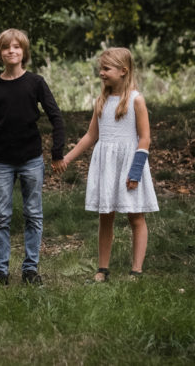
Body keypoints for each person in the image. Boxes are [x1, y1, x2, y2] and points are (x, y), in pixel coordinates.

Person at [0, 28, 66, 286]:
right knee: (1, 216)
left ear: (24, 52)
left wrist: (57, 151)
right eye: (6, 47)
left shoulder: (35, 83)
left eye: (16, 47)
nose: (11, 51)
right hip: (1, 161)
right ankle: (0, 272)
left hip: (31, 160)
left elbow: (56, 117)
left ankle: (30, 270)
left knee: (33, 214)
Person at [57, 47, 159, 282]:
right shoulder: (101, 101)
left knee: (135, 216)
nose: (101, 73)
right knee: (106, 216)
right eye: (100, 69)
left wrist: (135, 172)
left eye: (106, 69)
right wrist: (67, 158)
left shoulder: (136, 100)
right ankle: (102, 269)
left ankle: (136, 270)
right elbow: (91, 136)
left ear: (123, 70)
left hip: (129, 164)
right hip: (107, 165)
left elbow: (145, 138)